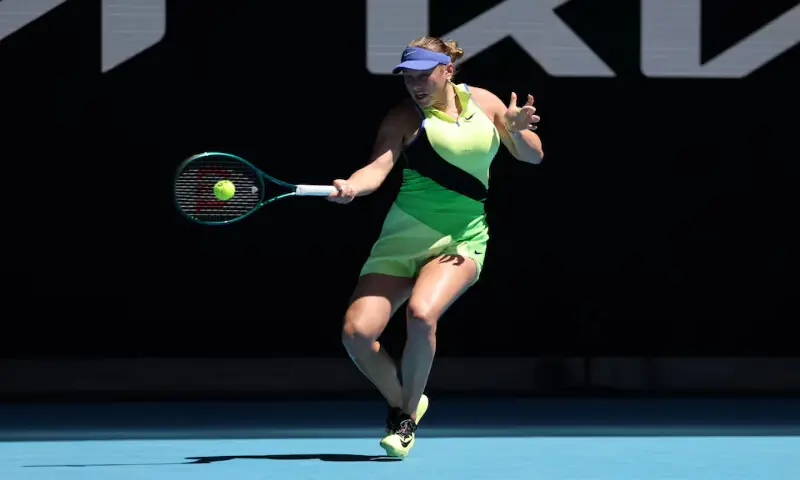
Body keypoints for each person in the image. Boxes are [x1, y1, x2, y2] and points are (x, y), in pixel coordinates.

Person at [328, 36, 544, 457]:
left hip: (463, 236)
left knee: (422, 313)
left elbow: (533, 157)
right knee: (357, 334)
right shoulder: (404, 118)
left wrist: (517, 131)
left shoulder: (485, 102)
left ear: (448, 71)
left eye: (424, 75)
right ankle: (406, 400)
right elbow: (377, 167)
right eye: (408, 78)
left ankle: (403, 419)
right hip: (402, 238)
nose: (415, 85)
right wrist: (352, 185)